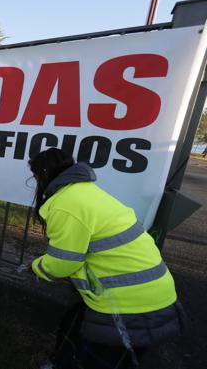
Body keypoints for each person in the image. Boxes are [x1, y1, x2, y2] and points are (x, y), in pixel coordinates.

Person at [28, 148, 183, 369]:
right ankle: (60, 362)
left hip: (131, 303)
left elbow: (63, 263)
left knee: (97, 359)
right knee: (73, 327)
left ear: (43, 174)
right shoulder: (83, 191)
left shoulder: (66, 204)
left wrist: (34, 267)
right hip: (151, 293)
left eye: (35, 176)